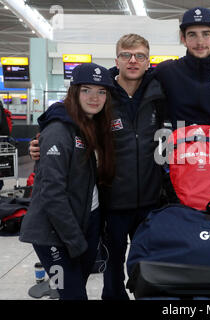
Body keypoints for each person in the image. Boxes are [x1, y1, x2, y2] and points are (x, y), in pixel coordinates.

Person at [29, 34, 166, 300]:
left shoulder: (159, 94)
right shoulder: (104, 94)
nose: (133, 60)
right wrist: (42, 138)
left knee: (146, 263)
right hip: (112, 199)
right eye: (126, 55)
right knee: (112, 264)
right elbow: (69, 116)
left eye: (139, 55)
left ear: (149, 61)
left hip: (150, 199)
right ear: (117, 60)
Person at [19, 63, 116, 300]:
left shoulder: (91, 127)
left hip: (82, 224)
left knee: (74, 291)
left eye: (101, 91)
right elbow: (52, 194)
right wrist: (75, 240)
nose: (94, 97)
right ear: (74, 92)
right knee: (73, 294)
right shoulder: (59, 131)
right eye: (86, 90)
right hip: (53, 234)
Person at [153, 6, 210, 130]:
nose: (200, 42)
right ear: (183, 38)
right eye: (192, 35)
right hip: (179, 147)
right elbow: (132, 78)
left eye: (206, 34)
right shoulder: (167, 71)